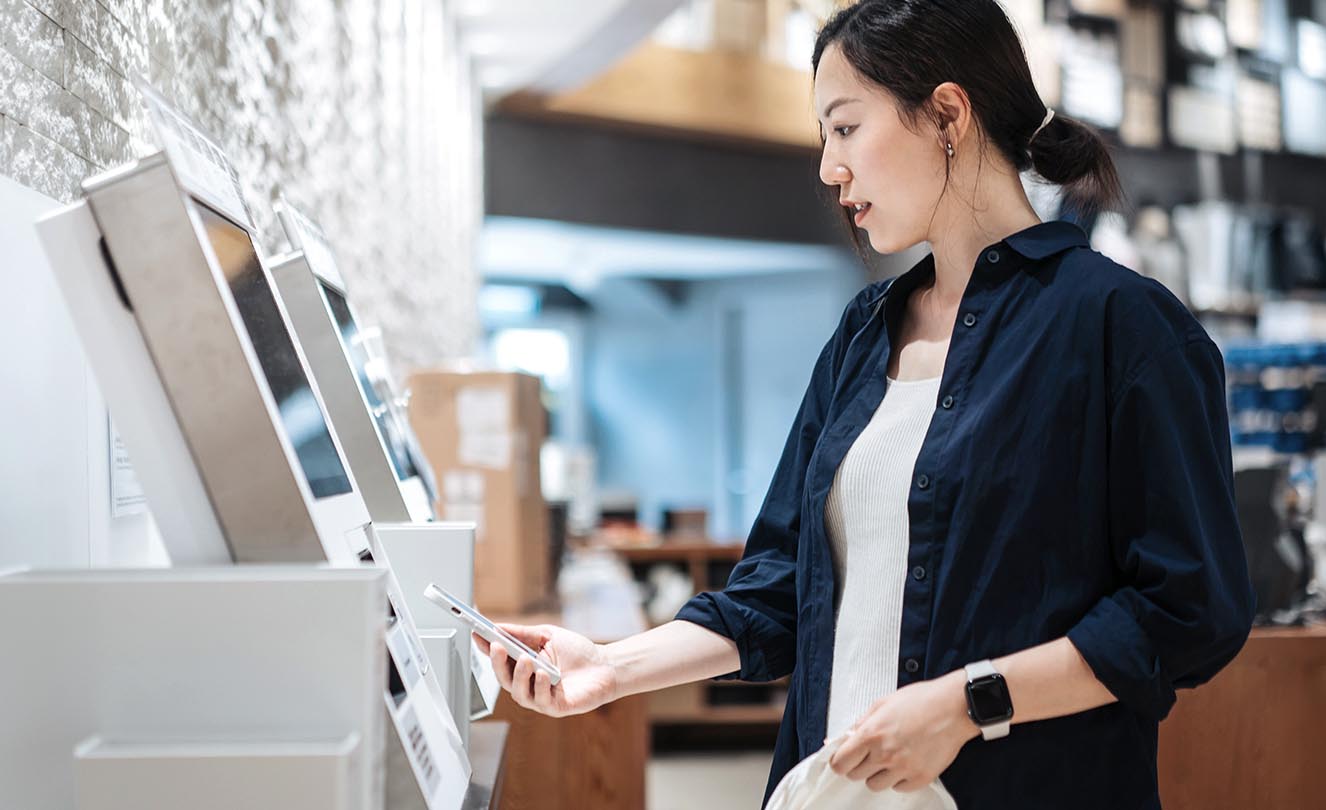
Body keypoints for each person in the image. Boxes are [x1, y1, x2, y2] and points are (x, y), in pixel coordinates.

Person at [477, 1, 1256, 807]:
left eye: (845, 129)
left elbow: (1190, 609)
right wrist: (611, 666)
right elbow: (779, 587)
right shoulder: (861, 336)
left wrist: (967, 703)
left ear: (948, 114)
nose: (827, 168)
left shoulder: (1122, 327)